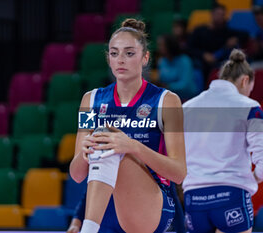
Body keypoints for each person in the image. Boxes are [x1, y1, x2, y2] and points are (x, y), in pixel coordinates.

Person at [70, 18, 187, 233]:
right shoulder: (90, 100)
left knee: (108, 139)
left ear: (145, 58)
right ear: (108, 59)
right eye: (114, 53)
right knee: (103, 138)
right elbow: (77, 175)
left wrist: (132, 146)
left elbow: (179, 173)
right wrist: (85, 153)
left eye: (129, 53)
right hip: (105, 212)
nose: (120, 59)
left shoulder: (167, 100)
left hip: (151, 207)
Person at [182, 49, 263, 233]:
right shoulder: (250, 107)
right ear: (245, 81)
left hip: (193, 199)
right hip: (231, 194)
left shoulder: (186, 108)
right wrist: (253, 178)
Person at [188, 4, 249, 77]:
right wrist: (203, 55)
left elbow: (245, 34)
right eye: (218, 14)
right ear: (212, 14)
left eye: (223, 15)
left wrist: (235, 39)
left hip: (220, 62)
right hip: (202, 62)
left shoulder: (225, 31)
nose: (220, 17)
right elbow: (189, 48)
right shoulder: (200, 30)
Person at [156, 35, 198, 100]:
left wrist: (167, 86)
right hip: (168, 98)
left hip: (186, 98)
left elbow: (185, 85)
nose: (159, 48)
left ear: (169, 46)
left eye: (161, 45)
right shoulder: (162, 61)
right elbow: (161, 80)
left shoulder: (185, 60)